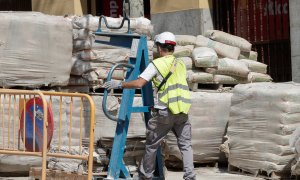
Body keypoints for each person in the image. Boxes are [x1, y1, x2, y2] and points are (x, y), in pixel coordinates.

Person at [103, 32, 196, 180]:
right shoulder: (181, 64)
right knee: (185, 145)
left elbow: (139, 83)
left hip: (165, 111)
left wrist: (119, 84)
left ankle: (145, 176)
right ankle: (190, 177)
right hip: (182, 111)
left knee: (152, 145)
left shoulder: (157, 64)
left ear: (159, 48)